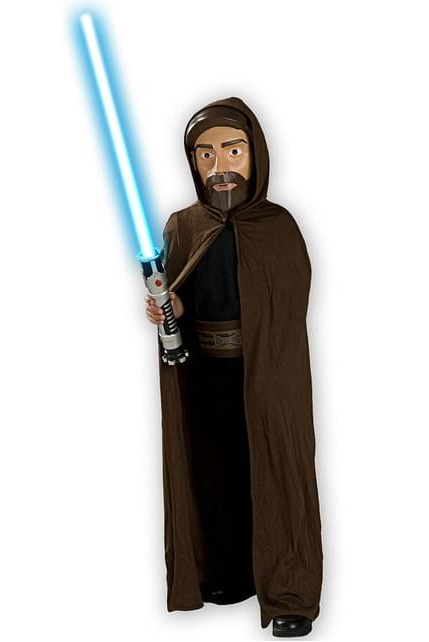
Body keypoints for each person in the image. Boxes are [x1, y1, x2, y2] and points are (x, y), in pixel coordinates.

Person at [145, 97, 323, 637]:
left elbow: (288, 305)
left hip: (266, 375)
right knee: (213, 472)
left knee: (276, 472)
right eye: (205, 154)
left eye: (232, 150)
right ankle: (223, 575)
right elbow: (179, 293)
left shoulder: (277, 226)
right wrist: (168, 309)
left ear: (255, 155)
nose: (219, 164)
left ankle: (289, 595)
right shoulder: (183, 225)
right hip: (205, 375)